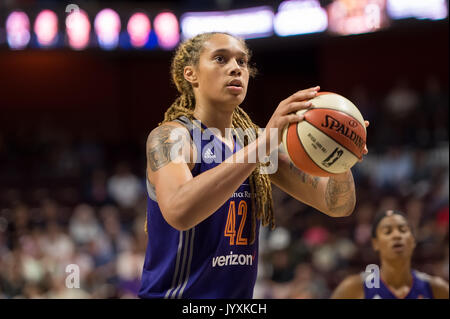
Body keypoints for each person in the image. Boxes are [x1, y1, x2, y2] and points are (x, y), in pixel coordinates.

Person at [138, 32, 368, 299]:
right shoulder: (172, 137)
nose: (236, 68)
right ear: (192, 74)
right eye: (220, 59)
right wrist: (265, 143)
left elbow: (337, 204)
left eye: (242, 62)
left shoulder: (253, 142)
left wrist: (339, 154)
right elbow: (179, 211)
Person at [331, 210, 449, 299]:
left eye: (403, 230)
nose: (396, 236)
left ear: (413, 240)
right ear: (375, 243)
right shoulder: (354, 287)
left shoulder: (435, 288)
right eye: (387, 231)